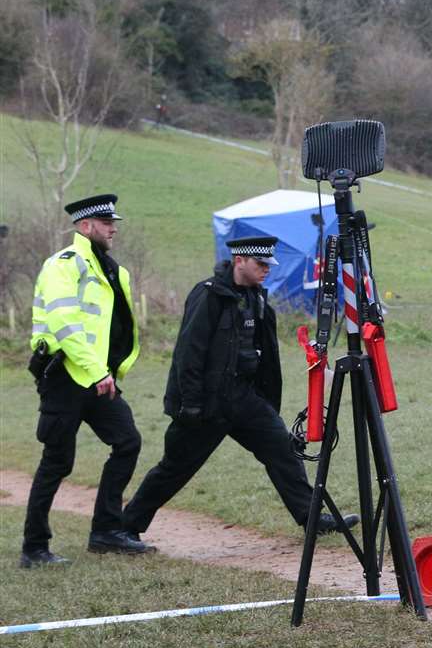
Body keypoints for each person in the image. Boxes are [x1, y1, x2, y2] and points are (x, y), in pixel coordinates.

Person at [121, 237, 355, 540]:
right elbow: (188, 353)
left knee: (282, 450)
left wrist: (267, 402)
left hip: (244, 398)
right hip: (207, 403)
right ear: (239, 260)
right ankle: (126, 527)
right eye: (260, 264)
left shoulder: (257, 299)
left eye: (268, 265)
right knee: (174, 469)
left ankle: (312, 518)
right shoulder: (208, 296)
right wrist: (190, 404)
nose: (266, 270)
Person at [21, 194, 147, 567]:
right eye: (107, 222)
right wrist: (98, 371)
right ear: (85, 226)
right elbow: (65, 324)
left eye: (114, 222)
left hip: (97, 377)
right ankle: (34, 548)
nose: (114, 228)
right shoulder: (64, 264)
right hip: (65, 375)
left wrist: (107, 370)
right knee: (57, 461)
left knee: (127, 442)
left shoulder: (110, 269)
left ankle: (106, 531)